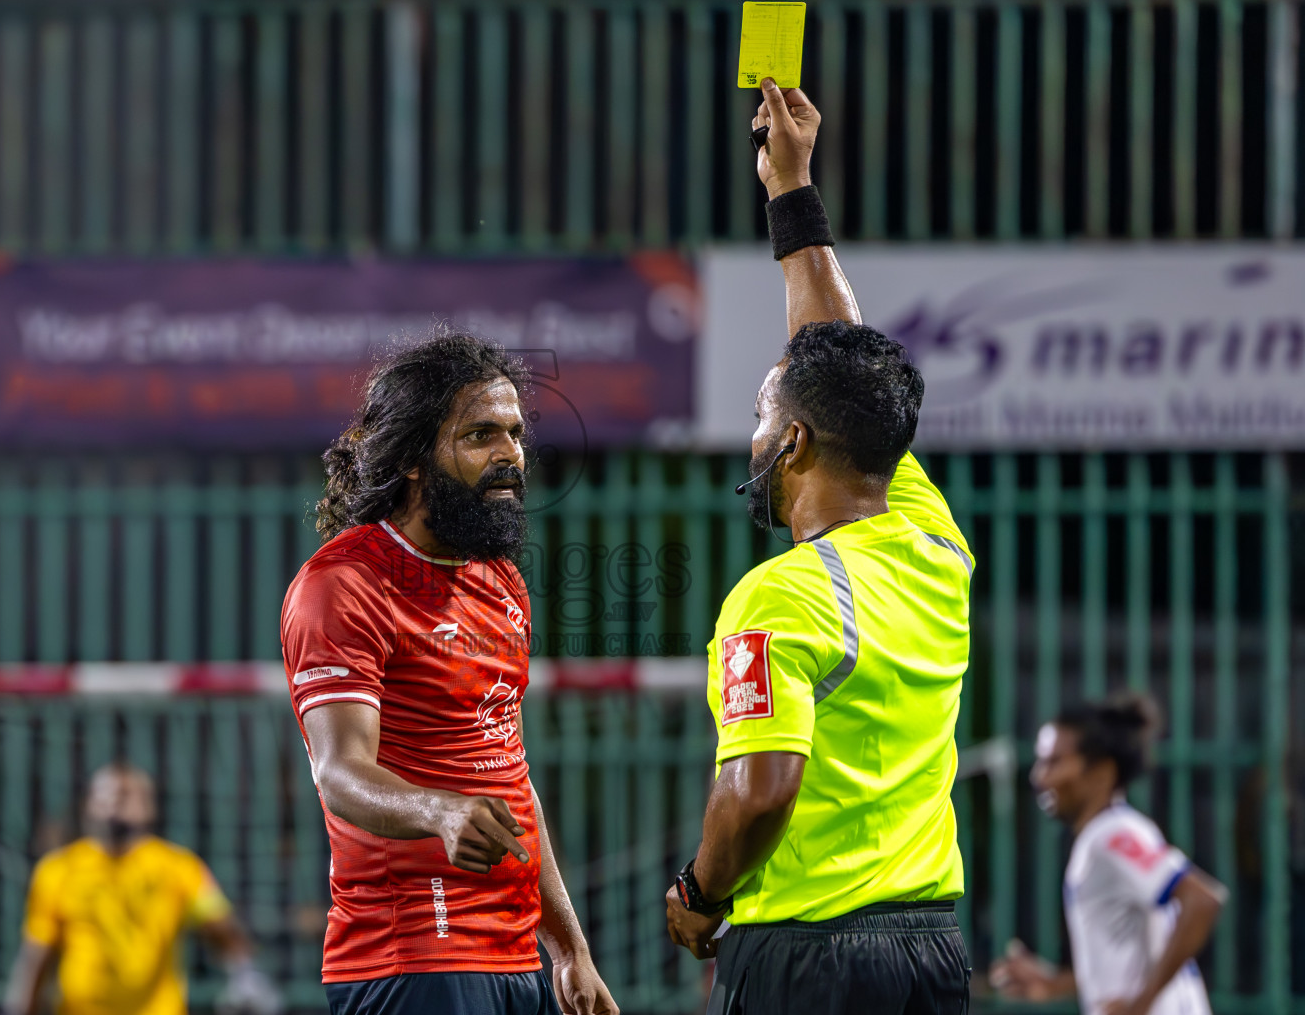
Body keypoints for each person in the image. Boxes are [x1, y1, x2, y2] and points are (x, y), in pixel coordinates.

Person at [664, 79, 973, 1013]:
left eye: (763, 414)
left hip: (808, 957)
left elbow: (760, 792)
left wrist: (698, 892)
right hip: (932, 950)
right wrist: (790, 191)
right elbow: (838, 351)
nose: (753, 430)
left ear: (792, 443)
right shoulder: (930, 539)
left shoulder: (779, 596)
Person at [279, 331, 616, 1015]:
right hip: (413, 955)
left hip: (516, 953)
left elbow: (509, 773)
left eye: (516, 434)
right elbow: (340, 773)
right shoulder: (343, 584)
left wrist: (570, 948)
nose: (511, 456)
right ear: (411, 459)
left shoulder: (501, 582)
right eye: (480, 436)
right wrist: (440, 810)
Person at [989, 697, 1227, 1015]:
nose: (1038, 777)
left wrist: (1138, 1007)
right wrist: (1053, 984)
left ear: (1101, 771)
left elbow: (1202, 901)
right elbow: (1124, 971)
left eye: (1054, 762)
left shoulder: (1113, 836)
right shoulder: (1106, 836)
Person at [3, 763, 280, 1015]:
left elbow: (219, 924)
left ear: (149, 807)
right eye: (106, 794)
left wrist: (245, 973)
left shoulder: (178, 867)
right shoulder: (58, 870)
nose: (114, 803)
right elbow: (37, 954)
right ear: (88, 803)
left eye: (126, 795)